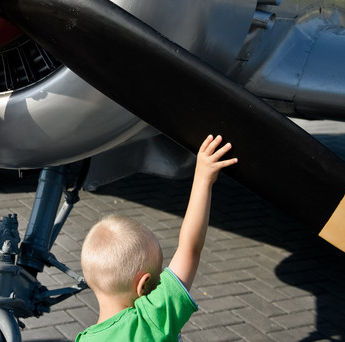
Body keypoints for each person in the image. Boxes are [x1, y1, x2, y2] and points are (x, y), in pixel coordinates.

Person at [77, 134, 238, 342]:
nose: (164, 277)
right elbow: (190, 248)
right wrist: (203, 178)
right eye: (160, 272)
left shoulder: (84, 339)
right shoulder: (150, 320)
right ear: (142, 286)